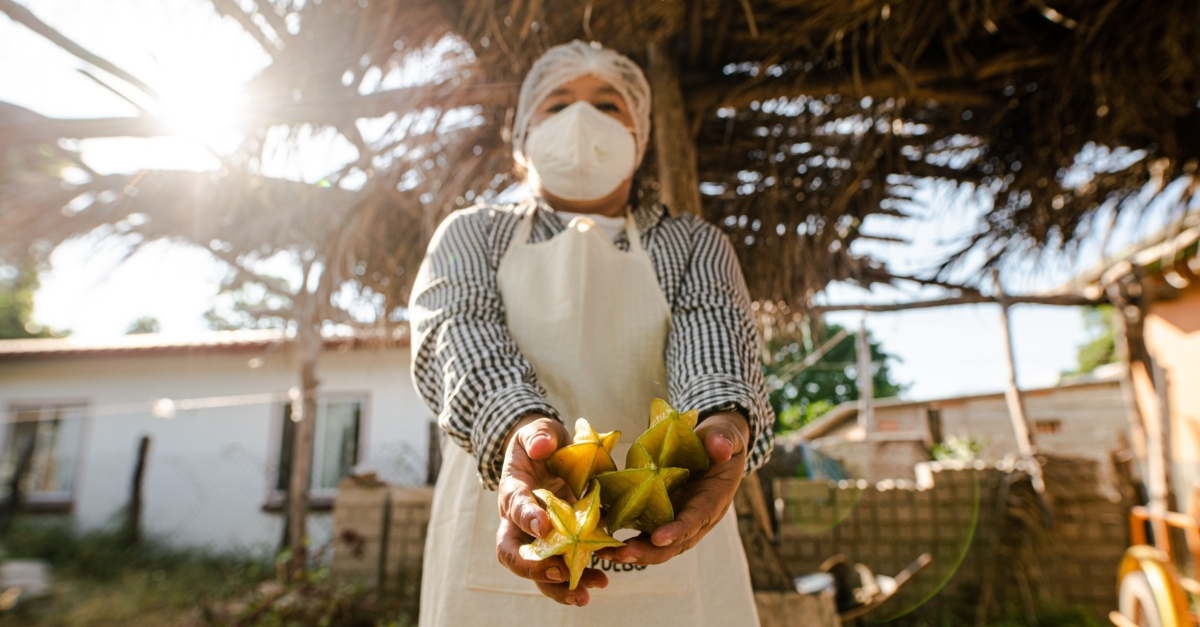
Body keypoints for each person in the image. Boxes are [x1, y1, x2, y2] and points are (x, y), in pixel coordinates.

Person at [409, 40, 775, 625]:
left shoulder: (693, 245)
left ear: (642, 137)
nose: (581, 120)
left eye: (608, 105)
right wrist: (521, 434)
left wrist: (723, 422)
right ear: (522, 134)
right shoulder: (471, 235)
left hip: (673, 530)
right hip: (502, 520)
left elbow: (715, 346)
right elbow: (456, 336)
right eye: (557, 105)